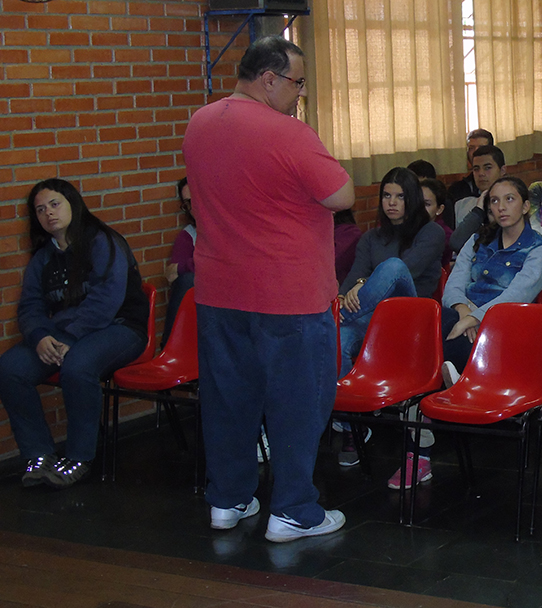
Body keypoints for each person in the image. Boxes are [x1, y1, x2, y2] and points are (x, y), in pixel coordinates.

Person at [181, 36, 355, 541]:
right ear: (270, 79)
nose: (300, 94)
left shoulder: (199, 123)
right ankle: (294, 510)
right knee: (299, 402)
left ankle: (228, 500)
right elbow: (341, 193)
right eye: (297, 83)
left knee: (228, 401)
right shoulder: (289, 132)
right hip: (289, 293)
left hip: (218, 289)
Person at [0, 179, 149, 489]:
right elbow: (29, 306)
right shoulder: (43, 257)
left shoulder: (103, 241)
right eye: (40, 210)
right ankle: (38, 454)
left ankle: (80, 457)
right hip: (61, 334)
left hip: (120, 329)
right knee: (10, 368)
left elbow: (105, 302)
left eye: (55, 204)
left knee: (78, 366)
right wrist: (40, 336)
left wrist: (68, 338)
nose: (48, 214)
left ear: (73, 204)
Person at [434, 177, 542, 489]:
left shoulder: (539, 250)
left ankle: (454, 386)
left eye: (510, 199)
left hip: (506, 326)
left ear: (526, 206)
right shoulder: (476, 241)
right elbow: (454, 284)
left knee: (452, 335)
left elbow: (516, 295)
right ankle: (457, 382)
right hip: (463, 321)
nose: (501, 207)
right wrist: (463, 312)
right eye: (495, 201)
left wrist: (474, 318)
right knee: (439, 318)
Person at [338, 167, 446, 378]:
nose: (392, 202)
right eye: (387, 196)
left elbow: (407, 270)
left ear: (412, 199)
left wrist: (362, 284)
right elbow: (353, 278)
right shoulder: (370, 238)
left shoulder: (432, 232)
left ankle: (337, 317)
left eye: (400, 196)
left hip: (410, 316)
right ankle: (340, 403)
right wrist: (344, 295)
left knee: (394, 266)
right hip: (370, 317)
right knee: (337, 339)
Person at [163, 177, 196, 346]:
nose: (193, 207)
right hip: (202, 304)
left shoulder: (228, 227)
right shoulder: (189, 235)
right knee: (186, 281)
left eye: (197, 198)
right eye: (188, 203)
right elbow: (171, 274)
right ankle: (170, 348)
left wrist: (188, 265)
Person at [447, 128, 494, 225]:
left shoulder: (507, 187)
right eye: (471, 148)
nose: (475, 152)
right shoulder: (457, 190)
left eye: (481, 147)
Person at [454, 144, 506, 229]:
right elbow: (457, 241)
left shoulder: (514, 202)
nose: (481, 174)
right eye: (476, 169)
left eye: (487, 168)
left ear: (502, 170)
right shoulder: (462, 205)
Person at [420, 177, 454, 267]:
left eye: (427, 204)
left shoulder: (445, 234)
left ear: (439, 209)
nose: (420, 208)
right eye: (417, 202)